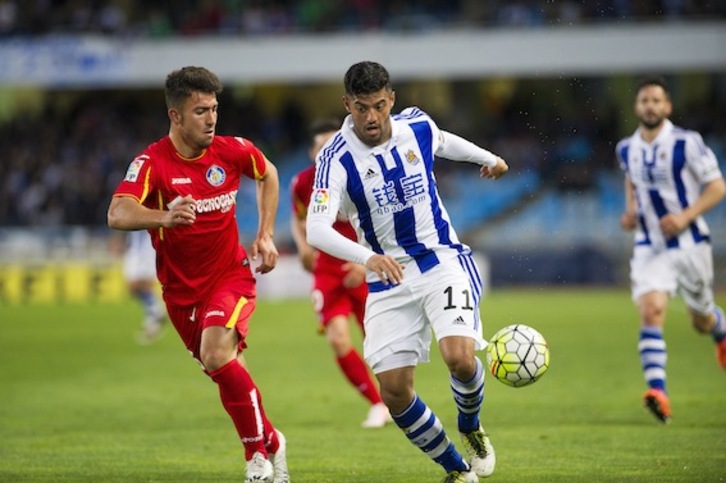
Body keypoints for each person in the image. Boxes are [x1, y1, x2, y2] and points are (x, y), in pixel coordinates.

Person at [306, 61, 509, 483]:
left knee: (460, 358)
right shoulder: (334, 159)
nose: (372, 117)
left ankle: (470, 426)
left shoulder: (416, 124)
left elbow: (443, 141)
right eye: (362, 108)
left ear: (391, 99)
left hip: (441, 261)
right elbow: (316, 229)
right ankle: (456, 469)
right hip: (386, 278)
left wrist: (487, 158)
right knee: (395, 392)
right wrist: (367, 259)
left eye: (379, 106)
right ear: (348, 104)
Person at [107, 66, 289, 483]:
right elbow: (117, 212)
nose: (211, 119)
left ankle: (256, 460)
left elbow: (269, 173)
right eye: (201, 111)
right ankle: (274, 441)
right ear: (175, 116)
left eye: (214, 109)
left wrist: (265, 234)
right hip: (181, 293)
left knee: (215, 354)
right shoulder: (151, 163)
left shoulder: (231, 150)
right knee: (226, 371)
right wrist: (163, 217)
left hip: (231, 276)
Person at [616, 75, 726, 424]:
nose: (650, 106)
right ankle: (658, 391)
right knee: (652, 311)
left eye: (656, 100)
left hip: (690, 243)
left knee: (700, 318)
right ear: (637, 107)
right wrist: (631, 210)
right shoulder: (626, 148)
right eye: (644, 100)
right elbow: (631, 178)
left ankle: (719, 331)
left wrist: (685, 216)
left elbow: (717, 187)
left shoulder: (687, 143)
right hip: (649, 246)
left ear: (667, 106)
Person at [290, 118, 391, 429]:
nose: (325, 152)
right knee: (338, 339)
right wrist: (303, 248)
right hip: (328, 272)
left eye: (331, 145)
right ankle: (377, 404)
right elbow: (299, 219)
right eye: (320, 147)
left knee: (377, 342)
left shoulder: (361, 176)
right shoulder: (303, 183)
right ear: (311, 152)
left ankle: (395, 401)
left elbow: (381, 222)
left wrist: (364, 263)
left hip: (363, 270)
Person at [117, 229, 166, 343]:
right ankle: (155, 312)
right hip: (135, 244)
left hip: (145, 244)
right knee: (133, 288)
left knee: (138, 283)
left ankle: (154, 315)